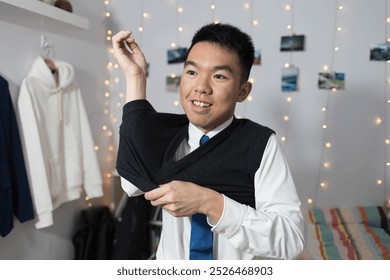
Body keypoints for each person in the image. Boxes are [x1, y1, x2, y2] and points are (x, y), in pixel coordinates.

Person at [113, 22, 304, 260]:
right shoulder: (166, 134)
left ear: (243, 91)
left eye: (219, 76)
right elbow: (131, 183)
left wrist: (209, 202)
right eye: (192, 72)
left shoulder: (260, 144)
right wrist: (136, 77)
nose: (201, 87)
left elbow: (290, 240)